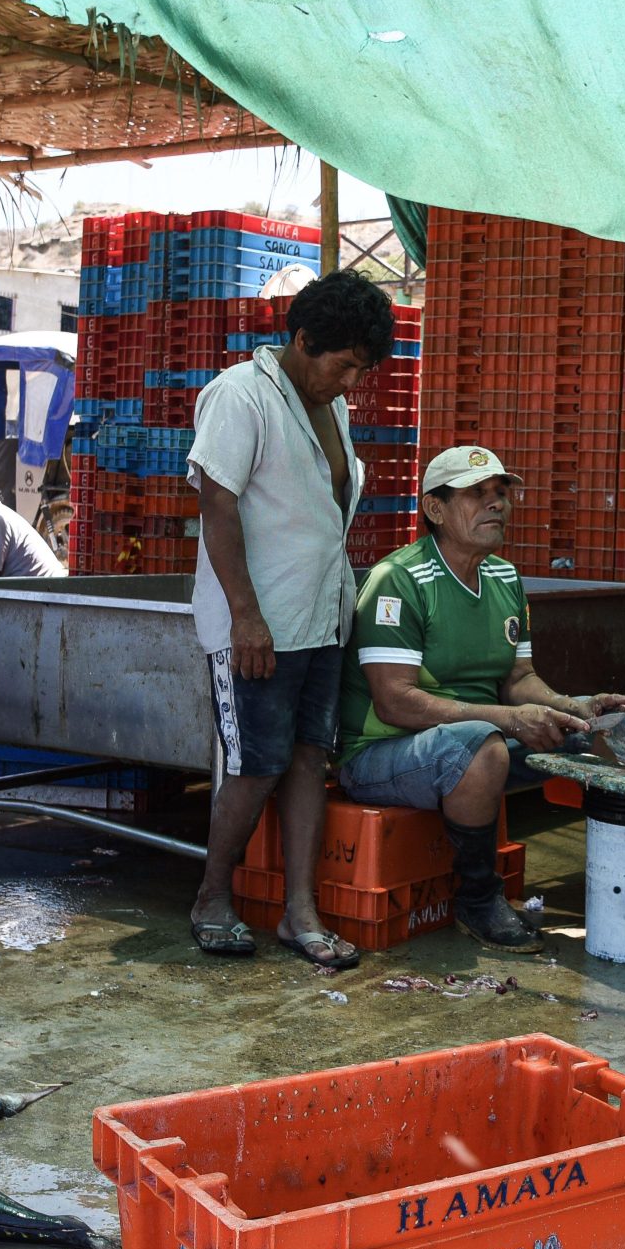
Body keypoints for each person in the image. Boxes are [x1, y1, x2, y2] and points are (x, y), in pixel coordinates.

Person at [334, 448, 625, 955]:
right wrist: (509, 720)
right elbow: (395, 703)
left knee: (612, 725)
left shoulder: (504, 578)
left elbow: (519, 678)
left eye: (501, 493)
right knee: (483, 748)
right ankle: (477, 897)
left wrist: (570, 705)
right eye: (477, 493)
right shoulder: (401, 581)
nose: (496, 503)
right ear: (435, 509)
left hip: (479, 739)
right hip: (382, 753)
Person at [183, 272, 395, 967]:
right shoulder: (240, 396)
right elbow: (217, 505)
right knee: (253, 767)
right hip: (259, 624)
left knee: (310, 758)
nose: (352, 382)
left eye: (361, 368)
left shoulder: (327, 405)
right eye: (344, 364)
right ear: (302, 340)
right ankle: (213, 896)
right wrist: (245, 615)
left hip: (320, 618)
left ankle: (298, 911)